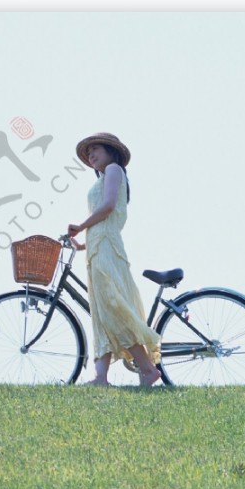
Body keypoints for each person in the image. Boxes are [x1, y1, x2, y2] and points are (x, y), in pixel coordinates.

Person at [66, 132, 164, 387]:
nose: (91, 155)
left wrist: (81, 225)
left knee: (113, 306)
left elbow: (108, 206)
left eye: (95, 149)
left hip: (107, 249)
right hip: (98, 248)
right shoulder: (104, 176)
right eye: (88, 153)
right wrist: (82, 244)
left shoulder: (113, 169)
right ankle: (100, 377)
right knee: (101, 311)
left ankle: (147, 368)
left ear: (111, 151)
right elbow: (104, 224)